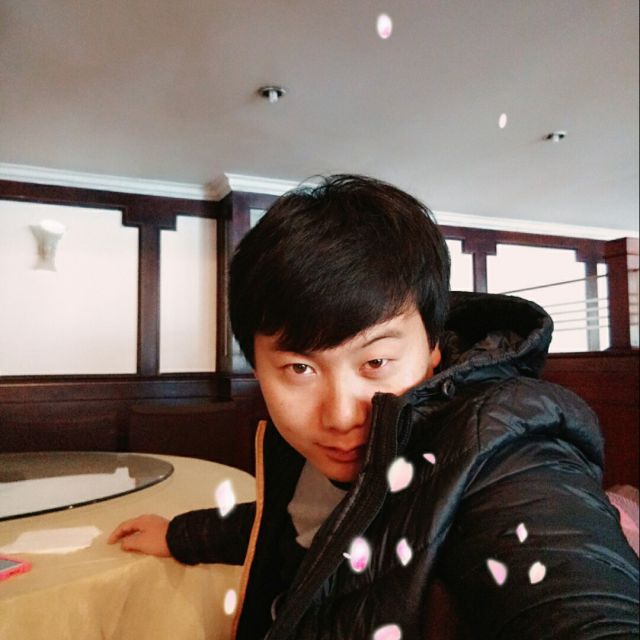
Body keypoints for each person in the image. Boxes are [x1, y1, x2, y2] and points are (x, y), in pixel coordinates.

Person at [109, 175, 639, 639]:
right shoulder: (307, 453)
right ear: (257, 368)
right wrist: (180, 534)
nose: (341, 415)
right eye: (299, 369)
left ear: (432, 348)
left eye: (377, 362)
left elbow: (574, 589)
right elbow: (290, 520)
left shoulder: (503, 443)